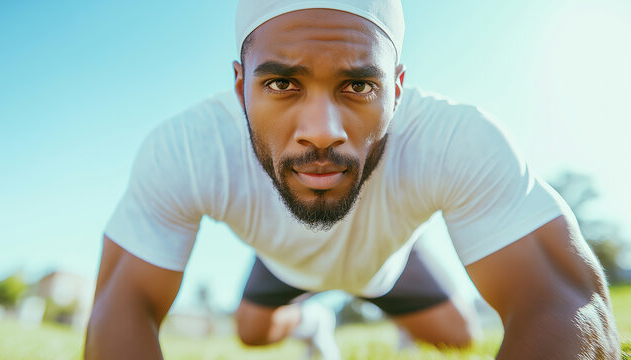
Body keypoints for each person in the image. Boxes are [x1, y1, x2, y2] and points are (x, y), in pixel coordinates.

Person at [84, 0, 621, 359]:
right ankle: (313, 324)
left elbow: (565, 301)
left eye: (358, 87)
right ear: (239, 85)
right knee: (251, 334)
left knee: (460, 338)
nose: (322, 133)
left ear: (396, 89)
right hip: (283, 259)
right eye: (282, 82)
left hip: (386, 262)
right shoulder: (186, 148)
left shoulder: (458, 138)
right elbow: (121, 304)